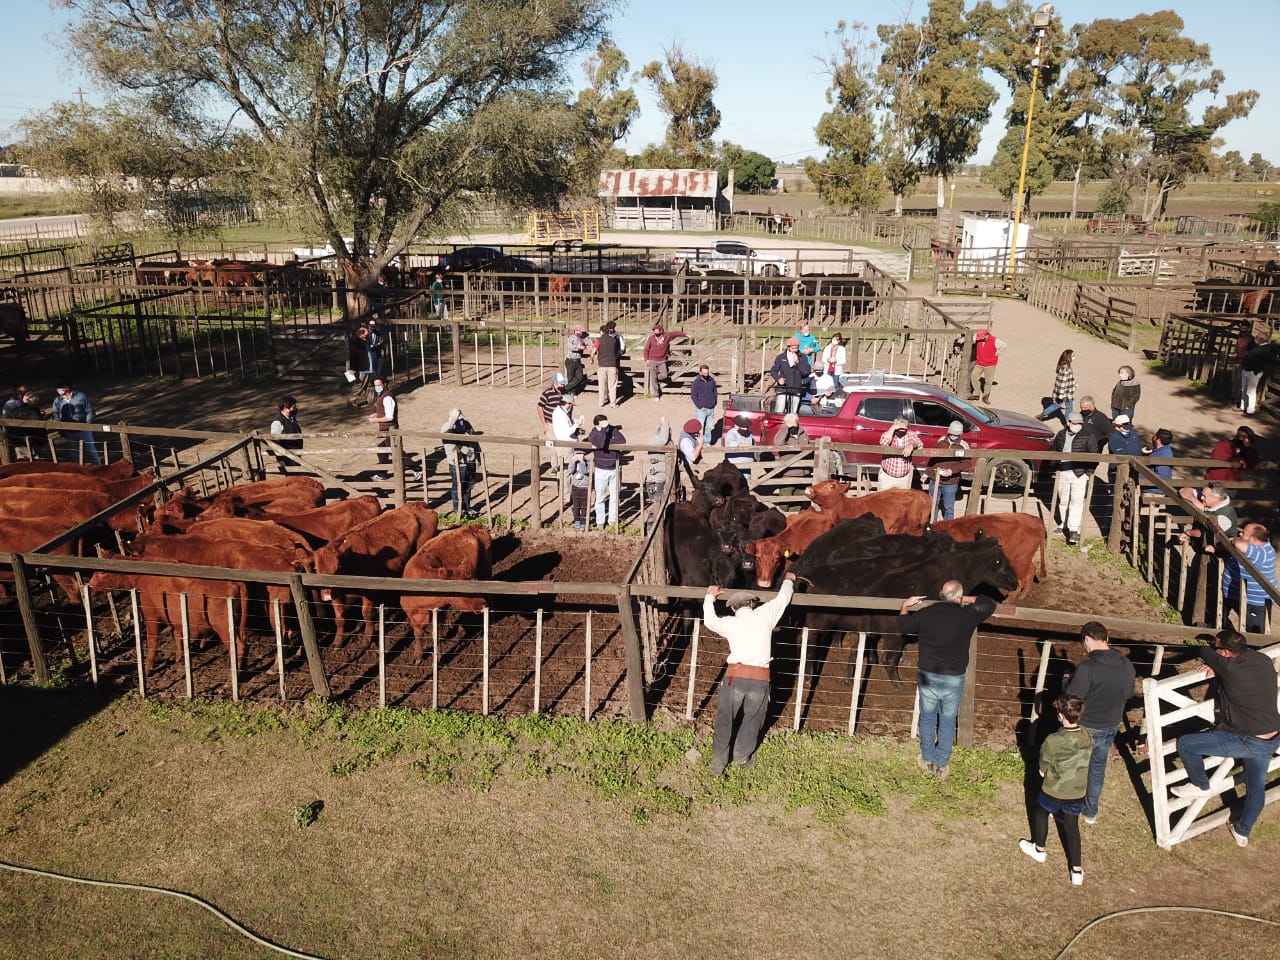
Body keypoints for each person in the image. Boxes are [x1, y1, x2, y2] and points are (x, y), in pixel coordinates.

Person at [1170, 629, 1280, 847]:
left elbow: (1202, 649)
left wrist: (1215, 661)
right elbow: (1226, 666)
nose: (1214, 649)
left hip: (1248, 740)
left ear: (1226, 653)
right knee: (1256, 787)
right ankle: (1243, 830)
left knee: (1186, 744)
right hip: (1272, 735)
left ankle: (1200, 785)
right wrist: (1218, 666)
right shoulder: (1263, 659)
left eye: (1217, 647)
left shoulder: (1228, 667)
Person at [897, 581, 998, 780]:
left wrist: (905, 605)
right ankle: (942, 763)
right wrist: (964, 599)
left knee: (927, 717)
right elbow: (989, 603)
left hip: (928, 675)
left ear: (940, 594)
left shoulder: (927, 613)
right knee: (948, 719)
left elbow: (903, 626)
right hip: (954, 677)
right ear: (958, 597)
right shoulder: (968, 615)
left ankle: (926, 757)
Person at [702, 572, 797, 776]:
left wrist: (710, 596)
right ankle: (742, 757)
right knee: (752, 719)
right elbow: (783, 598)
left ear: (734, 608)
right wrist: (788, 579)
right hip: (760, 677)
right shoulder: (766, 614)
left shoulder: (729, 623)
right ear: (752, 604)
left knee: (725, 718)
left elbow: (709, 621)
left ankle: (718, 764)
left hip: (735, 676)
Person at [1066, 621, 1136, 826]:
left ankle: (1067, 806)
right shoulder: (1126, 664)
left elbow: (1073, 697)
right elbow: (1129, 693)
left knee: (1074, 766)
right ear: (1107, 639)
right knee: (1097, 768)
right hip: (1110, 726)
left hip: (1086, 726)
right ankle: (1090, 812)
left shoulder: (1088, 666)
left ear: (1087, 639)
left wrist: (1065, 681)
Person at [1019, 693, 1091, 886]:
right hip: (1077, 791)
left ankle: (1039, 849)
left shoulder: (1053, 741)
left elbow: (1043, 766)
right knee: (1071, 825)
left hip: (1055, 789)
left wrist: (1043, 771)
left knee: (1041, 811)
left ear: (1061, 716)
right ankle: (1076, 870)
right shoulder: (1086, 735)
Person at [1050, 412, 1098, 546]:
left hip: (1079, 473)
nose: (1077, 426)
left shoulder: (1088, 436)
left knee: (1077, 501)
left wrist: (1088, 473)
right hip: (1064, 471)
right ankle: (1063, 523)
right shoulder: (1060, 434)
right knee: (1063, 499)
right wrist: (1054, 467)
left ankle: (1074, 530)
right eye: (1075, 423)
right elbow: (1054, 451)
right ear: (1068, 423)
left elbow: (1094, 455)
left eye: (1079, 423)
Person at [1222, 523, 1277, 634]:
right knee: (1219, 618)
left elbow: (1238, 544)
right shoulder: (1254, 547)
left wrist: (1234, 540)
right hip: (1234, 593)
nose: (1240, 534)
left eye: (1244, 533)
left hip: (1255, 601)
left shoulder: (1263, 552)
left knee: (1255, 633)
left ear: (1255, 539)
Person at [366, 377, 416, 481]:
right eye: (375, 386)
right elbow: (384, 411)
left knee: (395, 451)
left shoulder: (387, 397)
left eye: (379, 385)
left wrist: (374, 420)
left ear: (384, 384)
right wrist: (376, 415)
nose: (377, 387)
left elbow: (390, 417)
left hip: (390, 428)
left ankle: (417, 468)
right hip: (384, 428)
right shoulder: (382, 396)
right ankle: (382, 473)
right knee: (381, 450)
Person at [923, 420, 971, 520]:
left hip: (951, 482)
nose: (952, 436)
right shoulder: (941, 441)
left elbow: (967, 463)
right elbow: (933, 458)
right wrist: (927, 473)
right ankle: (932, 525)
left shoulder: (963, 446)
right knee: (933, 505)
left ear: (960, 434)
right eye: (951, 434)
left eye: (955, 435)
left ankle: (947, 528)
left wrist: (951, 471)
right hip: (935, 478)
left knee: (948, 507)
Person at [587, 413, 624, 529]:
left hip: (614, 468)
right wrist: (603, 432)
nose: (606, 427)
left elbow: (622, 441)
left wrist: (607, 441)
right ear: (597, 425)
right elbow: (600, 443)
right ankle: (600, 522)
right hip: (600, 469)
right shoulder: (594, 433)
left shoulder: (612, 429)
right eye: (603, 425)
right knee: (600, 497)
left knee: (614, 497)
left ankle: (612, 520)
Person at [441, 407, 480, 518]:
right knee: (457, 488)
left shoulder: (466, 424)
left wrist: (477, 457)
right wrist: (454, 417)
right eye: (458, 415)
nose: (460, 417)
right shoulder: (447, 427)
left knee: (468, 487)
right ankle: (458, 510)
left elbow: (474, 440)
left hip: (470, 462)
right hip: (457, 463)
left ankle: (467, 508)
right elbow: (445, 431)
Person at [52, 380, 102, 465]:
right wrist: (60, 429)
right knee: (73, 454)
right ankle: (77, 471)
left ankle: (100, 468)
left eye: (61, 387)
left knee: (91, 451)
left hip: (84, 430)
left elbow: (90, 410)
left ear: (67, 387)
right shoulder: (57, 400)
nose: (59, 390)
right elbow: (55, 414)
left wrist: (88, 425)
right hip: (69, 431)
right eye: (58, 388)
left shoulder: (80, 396)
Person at [1177, 481, 1240, 549]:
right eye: (1202, 495)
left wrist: (1188, 533)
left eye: (1204, 496)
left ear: (1216, 498)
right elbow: (1183, 490)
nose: (1201, 498)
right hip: (1203, 546)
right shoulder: (1208, 499)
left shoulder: (1226, 514)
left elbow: (1205, 533)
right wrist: (1194, 500)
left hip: (1219, 552)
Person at [550, 394, 584, 505]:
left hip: (561, 444)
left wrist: (574, 422)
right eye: (570, 404)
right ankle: (566, 497)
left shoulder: (557, 411)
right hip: (566, 445)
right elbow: (568, 431)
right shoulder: (562, 415)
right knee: (567, 471)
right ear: (568, 404)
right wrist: (577, 424)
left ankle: (564, 495)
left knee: (564, 471)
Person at [877, 416, 923, 492]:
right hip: (887, 477)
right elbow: (883, 443)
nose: (901, 430)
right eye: (899, 427)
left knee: (901, 502)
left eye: (904, 428)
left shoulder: (910, 434)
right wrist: (892, 428)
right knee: (884, 501)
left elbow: (920, 444)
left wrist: (911, 446)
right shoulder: (889, 433)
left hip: (904, 478)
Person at [642, 323, 685, 400]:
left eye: (657, 330)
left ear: (661, 331)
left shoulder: (666, 336)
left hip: (662, 360)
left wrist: (686, 335)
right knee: (653, 378)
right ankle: (656, 394)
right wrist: (646, 359)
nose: (655, 332)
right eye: (654, 330)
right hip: (652, 360)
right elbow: (646, 349)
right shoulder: (651, 338)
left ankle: (656, 379)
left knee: (664, 375)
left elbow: (676, 333)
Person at [770, 336, 811, 413]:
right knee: (780, 408)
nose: (795, 350)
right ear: (788, 347)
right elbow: (773, 370)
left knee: (793, 410)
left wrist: (798, 363)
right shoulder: (781, 357)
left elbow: (806, 372)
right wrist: (778, 379)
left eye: (796, 348)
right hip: (783, 387)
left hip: (796, 387)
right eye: (793, 348)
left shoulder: (803, 357)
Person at [644, 418, 671, 530]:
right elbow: (663, 439)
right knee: (655, 506)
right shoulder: (655, 440)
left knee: (662, 507)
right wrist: (665, 425)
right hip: (656, 481)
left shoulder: (666, 441)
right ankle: (650, 530)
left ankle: (659, 529)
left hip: (663, 480)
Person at [346, 324, 383, 406]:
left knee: (369, 385)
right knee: (359, 385)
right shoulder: (355, 342)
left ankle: (373, 400)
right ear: (360, 334)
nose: (367, 336)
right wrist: (352, 368)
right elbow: (353, 356)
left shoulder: (365, 341)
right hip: (362, 368)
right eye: (365, 335)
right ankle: (351, 401)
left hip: (369, 367)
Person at [968, 327, 1006, 403]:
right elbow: (970, 338)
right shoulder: (979, 338)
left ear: (986, 335)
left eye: (981, 337)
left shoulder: (995, 340)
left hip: (990, 364)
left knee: (988, 381)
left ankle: (986, 396)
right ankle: (976, 393)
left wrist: (998, 353)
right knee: (974, 377)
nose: (979, 339)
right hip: (979, 363)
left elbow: (1004, 346)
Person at [1037, 349, 1076, 424]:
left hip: (1063, 391)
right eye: (1073, 356)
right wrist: (1061, 394)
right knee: (1069, 407)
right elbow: (1062, 382)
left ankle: (1043, 414)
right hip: (1066, 393)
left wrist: (1074, 384)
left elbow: (1067, 379)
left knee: (1057, 405)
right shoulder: (1066, 369)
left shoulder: (1063, 366)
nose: (1074, 357)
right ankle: (1068, 422)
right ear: (1068, 357)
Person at [590, 321, 623, 407]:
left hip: (602, 365)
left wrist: (591, 359)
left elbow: (593, 351)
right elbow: (618, 351)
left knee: (602, 385)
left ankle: (601, 402)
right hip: (612, 364)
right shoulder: (613, 340)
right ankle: (613, 404)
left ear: (601, 331)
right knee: (612, 386)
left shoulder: (599, 341)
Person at [1239, 330, 1272, 415]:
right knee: (1244, 389)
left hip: (1254, 371)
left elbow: (1262, 361)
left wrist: (1255, 371)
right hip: (1246, 369)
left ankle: (1250, 410)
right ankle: (1243, 406)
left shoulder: (1266, 349)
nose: (1255, 338)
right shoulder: (1257, 346)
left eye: (1257, 337)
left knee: (1250, 391)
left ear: (1261, 339)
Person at [268, 396, 303, 475]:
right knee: (291, 475)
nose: (295, 409)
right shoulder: (277, 422)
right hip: (286, 455)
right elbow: (275, 441)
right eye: (293, 407)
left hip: (295, 453)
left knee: (297, 474)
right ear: (285, 408)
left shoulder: (292, 418)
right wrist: (281, 457)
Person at [1105, 414, 1142, 484]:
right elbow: (1119, 452)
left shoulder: (1133, 434)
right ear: (1117, 426)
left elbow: (1139, 445)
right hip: (1118, 468)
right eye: (1125, 427)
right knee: (1118, 487)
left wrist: (1141, 450)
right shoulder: (1114, 437)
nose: (1128, 428)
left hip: (1134, 467)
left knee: (1132, 487)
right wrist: (1136, 453)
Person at [690, 363, 719, 444]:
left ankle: (706, 443)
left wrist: (714, 402)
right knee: (699, 427)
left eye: (707, 373)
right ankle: (697, 443)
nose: (706, 375)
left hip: (711, 407)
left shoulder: (712, 380)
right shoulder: (696, 383)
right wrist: (699, 406)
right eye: (704, 373)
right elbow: (693, 396)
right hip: (701, 409)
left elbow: (715, 392)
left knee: (708, 427)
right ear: (700, 373)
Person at [1141, 428, 1174, 493]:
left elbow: (1162, 475)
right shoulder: (1162, 451)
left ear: (1158, 440)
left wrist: (1141, 475)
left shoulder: (1164, 454)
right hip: (1152, 488)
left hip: (1154, 491)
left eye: (1155, 436)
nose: (1153, 438)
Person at [563, 322, 589, 397]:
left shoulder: (583, 339)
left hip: (578, 360)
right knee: (570, 377)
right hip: (570, 360)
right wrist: (579, 347)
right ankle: (571, 392)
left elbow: (589, 343)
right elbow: (570, 347)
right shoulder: (571, 338)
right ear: (576, 331)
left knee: (579, 377)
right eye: (580, 331)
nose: (581, 333)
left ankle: (566, 388)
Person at [567, 450, 591, 529]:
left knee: (584, 507)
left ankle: (583, 523)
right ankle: (577, 521)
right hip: (575, 487)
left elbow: (585, 472)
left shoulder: (587, 462)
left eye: (581, 454)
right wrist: (573, 462)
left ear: (584, 455)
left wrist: (582, 463)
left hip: (585, 488)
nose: (580, 455)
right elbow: (570, 471)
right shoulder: (573, 462)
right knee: (576, 506)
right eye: (578, 454)